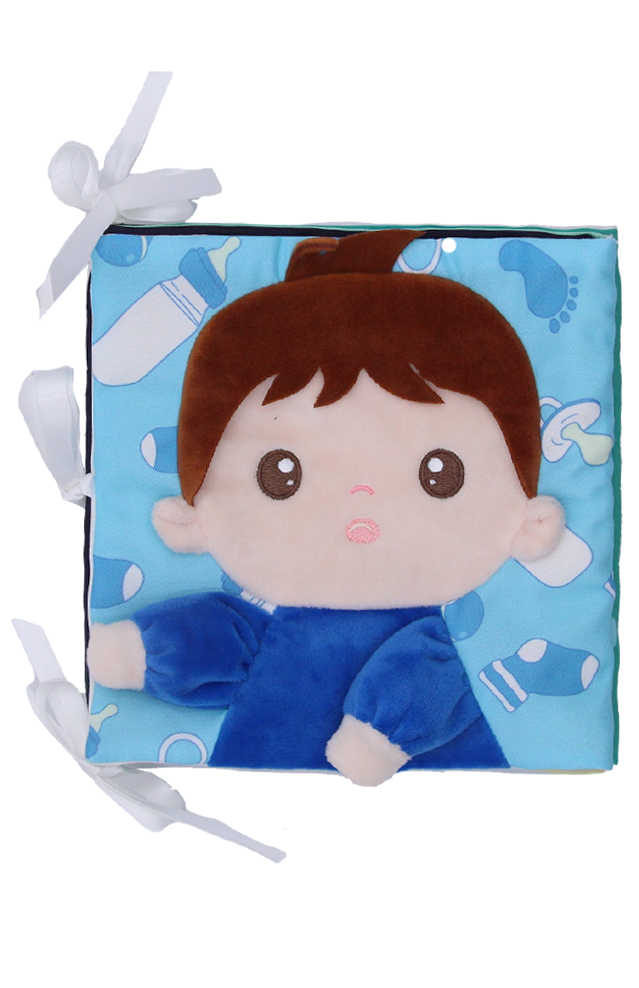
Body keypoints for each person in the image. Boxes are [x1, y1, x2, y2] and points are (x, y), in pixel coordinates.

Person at [87, 229, 565, 784]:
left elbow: (434, 676)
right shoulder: (273, 625)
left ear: (530, 519)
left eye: (439, 474)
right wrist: (145, 654)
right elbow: (223, 642)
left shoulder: (444, 644)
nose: (362, 496)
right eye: (280, 475)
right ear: (191, 514)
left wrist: (383, 733)